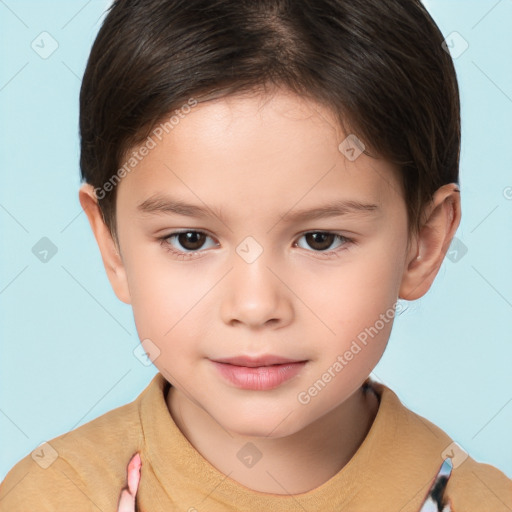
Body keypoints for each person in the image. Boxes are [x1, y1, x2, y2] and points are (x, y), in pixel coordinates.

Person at [1, 0, 511, 510]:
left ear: (422, 243)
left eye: (320, 239)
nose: (254, 305)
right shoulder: (51, 496)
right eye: (191, 239)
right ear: (112, 244)